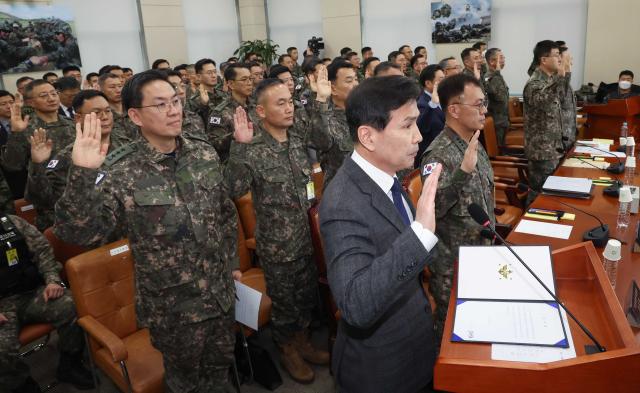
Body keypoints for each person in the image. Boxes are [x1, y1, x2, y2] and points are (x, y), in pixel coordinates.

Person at [54, 70, 239, 393]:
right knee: (186, 384)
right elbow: (79, 233)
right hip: (174, 308)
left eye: (176, 101)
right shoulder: (120, 170)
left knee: (221, 373)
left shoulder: (203, 152)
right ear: (135, 116)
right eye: (161, 105)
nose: (174, 110)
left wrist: (233, 262)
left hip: (221, 296)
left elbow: (224, 213)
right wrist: (82, 174)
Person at [319, 75, 441, 393]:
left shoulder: (387, 176)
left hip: (415, 344)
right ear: (368, 137)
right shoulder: (342, 201)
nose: (418, 136)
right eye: (407, 126)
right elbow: (356, 304)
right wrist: (419, 236)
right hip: (382, 368)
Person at [226, 78, 329, 383]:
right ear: (260, 110)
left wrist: (320, 102)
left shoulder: (297, 139)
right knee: (286, 302)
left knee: (308, 295)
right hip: (279, 246)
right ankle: (288, 349)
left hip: (309, 238)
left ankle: (303, 342)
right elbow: (233, 187)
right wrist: (239, 147)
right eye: (280, 103)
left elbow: (324, 142)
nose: (289, 108)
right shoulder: (253, 149)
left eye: (290, 101)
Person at [420, 73, 494, 350]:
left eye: (484, 103)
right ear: (453, 109)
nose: (484, 110)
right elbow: (431, 210)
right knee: (450, 330)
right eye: (478, 104)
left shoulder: (473, 141)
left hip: (481, 251)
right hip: (454, 262)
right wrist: (462, 173)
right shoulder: (438, 154)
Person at [0, 214, 95, 392]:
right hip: (2, 306)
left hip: (31, 293)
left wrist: (52, 280)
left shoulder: (12, 222)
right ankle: (20, 385)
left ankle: (70, 364)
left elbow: (42, 249)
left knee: (71, 305)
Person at [523, 40, 568, 203]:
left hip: (553, 148)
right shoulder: (534, 83)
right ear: (543, 59)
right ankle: (527, 226)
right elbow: (544, 100)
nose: (560, 59)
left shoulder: (549, 81)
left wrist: (563, 76)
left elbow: (561, 98)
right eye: (556, 55)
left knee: (550, 195)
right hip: (542, 151)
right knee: (539, 195)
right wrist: (561, 77)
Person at [309, 61, 358, 186]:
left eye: (355, 79)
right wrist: (321, 98)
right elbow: (320, 141)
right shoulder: (326, 117)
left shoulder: (363, 114)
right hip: (341, 193)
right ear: (333, 88)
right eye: (349, 81)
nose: (355, 84)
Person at [206, 63, 255, 162]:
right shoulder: (220, 112)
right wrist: (234, 136)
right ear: (231, 84)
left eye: (251, 79)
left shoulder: (256, 106)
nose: (249, 83)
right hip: (236, 163)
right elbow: (214, 144)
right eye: (244, 79)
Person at [416, 65, 445, 166]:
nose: (444, 82)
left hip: (445, 151)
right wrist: (432, 105)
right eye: (441, 79)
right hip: (432, 156)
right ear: (428, 83)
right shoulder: (422, 103)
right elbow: (421, 127)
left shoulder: (443, 97)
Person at [484, 48, 510, 147]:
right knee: (498, 150)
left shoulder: (496, 76)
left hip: (502, 120)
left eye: (503, 57)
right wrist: (497, 75)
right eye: (501, 58)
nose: (503, 60)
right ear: (492, 61)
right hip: (497, 122)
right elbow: (501, 97)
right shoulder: (491, 77)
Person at [557, 42, 577, 149]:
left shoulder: (564, 81)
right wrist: (566, 73)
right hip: (559, 138)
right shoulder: (555, 80)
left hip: (568, 134)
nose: (571, 63)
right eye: (568, 59)